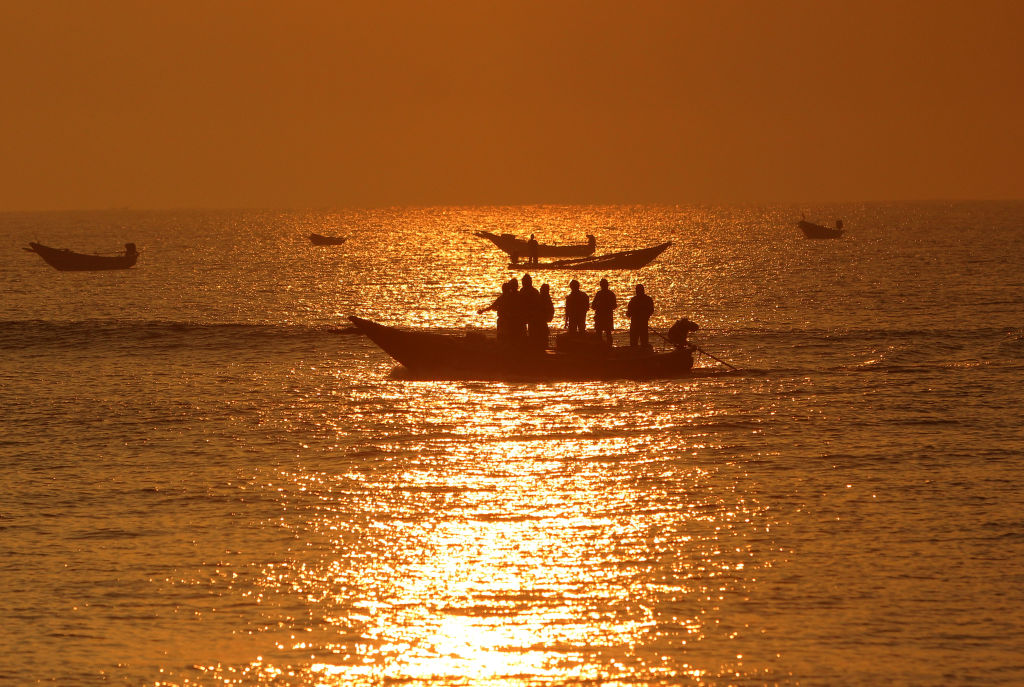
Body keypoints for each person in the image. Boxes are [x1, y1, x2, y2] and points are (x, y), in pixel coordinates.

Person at [590, 278, 617, 345]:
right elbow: (614, 306)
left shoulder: (599, 294)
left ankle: (600, 347)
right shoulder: (611, 294)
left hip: (601, 316)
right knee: (608, 333)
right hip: (606, 316)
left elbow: (593, 306)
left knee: (600, 333)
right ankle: (609, 347)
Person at [536, 283, 555, 349]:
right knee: (543, 336)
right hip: (541, 321)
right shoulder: (545, 298)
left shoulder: (541, 297)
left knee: (542, 337)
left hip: (541, 321)